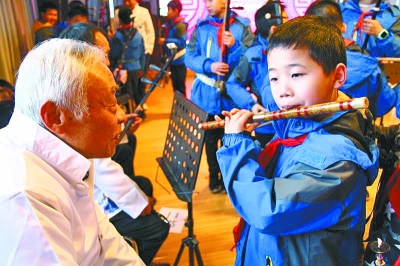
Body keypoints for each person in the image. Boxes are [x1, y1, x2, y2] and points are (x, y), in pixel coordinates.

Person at [215, 16, 379, 265]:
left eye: (296, 74)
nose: (283, 90)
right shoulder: (293, 130)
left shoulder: (338, 160)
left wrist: (237, 144)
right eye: (274, 78)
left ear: (338, 76)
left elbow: (268, 210)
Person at [0, 38, 144, 265]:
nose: (119, 115)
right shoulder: (25, 196)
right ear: (56, 116)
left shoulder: (64, 156)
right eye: (108, 104)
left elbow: (105, 241)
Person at [60, 22, 170, 265]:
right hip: (91, 196)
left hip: (96, 182)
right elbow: (101, 166)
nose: (108, 63)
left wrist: (119, 129)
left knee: (143, 182)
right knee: (155, 226)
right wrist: (139, 204)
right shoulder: (77, 95)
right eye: (103, 55)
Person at [185, 0, 254, 193]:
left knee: (231, 138)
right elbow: (189, 57)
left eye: (211, 0)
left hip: (230, 97)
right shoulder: (201, 27)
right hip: (205, 97)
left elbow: (251, 57)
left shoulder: (241, 27)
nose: (206, 4)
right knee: (209, 139)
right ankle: (214, 178)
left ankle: (229, 178)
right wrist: (209, 65)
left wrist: (234, 46)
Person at [305, 0, 400, 119]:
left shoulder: (394, 15)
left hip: (375, 73)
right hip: (366, 76)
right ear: (343, 27)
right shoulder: (339, 10)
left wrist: (383, 34)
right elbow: (385, 103)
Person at [109, 5, 146, 110]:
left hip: (123, 69)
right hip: (136, 67)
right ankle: (141, 112)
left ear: (119, 20)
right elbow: (143, 54)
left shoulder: (117, 36)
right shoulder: (138, 35)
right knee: (136, 91)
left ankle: (129, 113)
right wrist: (141, 69)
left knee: (126, 93)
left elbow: (114, 54)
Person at [158, 0, 187, 96]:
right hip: (173, 60)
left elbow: (182, 43)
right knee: (175, 87)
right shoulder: (170, 24)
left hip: (179, 60)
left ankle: (184, 109)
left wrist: (166, 40)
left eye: (169, 9)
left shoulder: (180, 25)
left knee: (180, 87)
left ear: (176, 11)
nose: (167, 12)